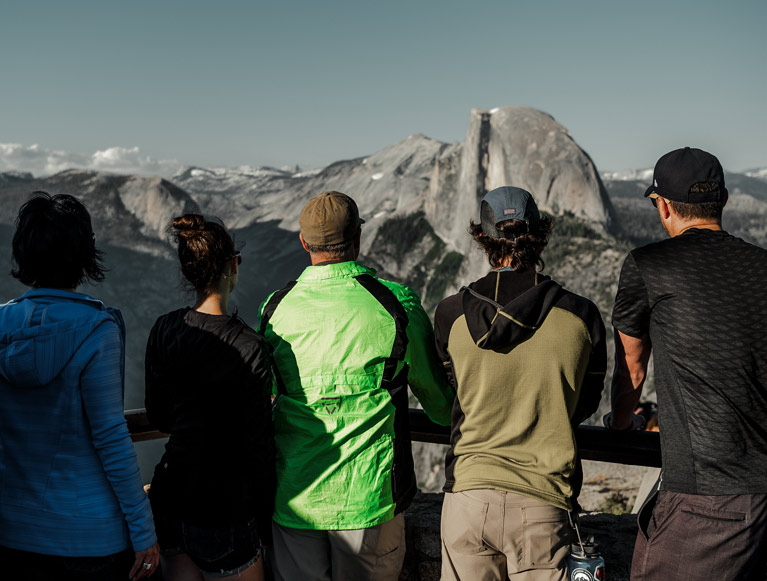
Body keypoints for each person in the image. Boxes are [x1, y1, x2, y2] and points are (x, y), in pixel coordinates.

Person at [258, 191, 454, 581]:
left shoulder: (274, 309)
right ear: (358, 239)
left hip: (295, 496)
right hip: (369, 499)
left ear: (303, 242)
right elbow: (438, 404)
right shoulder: (396, 305)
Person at [607, 147, 767, 580]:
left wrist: (621, 424)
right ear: (726, 200)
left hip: (706, 500)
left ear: (662, 206)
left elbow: (632, 370)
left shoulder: (648, 266)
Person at [434, 186, 606, 580]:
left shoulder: (450, 315)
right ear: (540, 234)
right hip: (542, 502)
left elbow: (453, 395)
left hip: (468, 497)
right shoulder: (581, 316)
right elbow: (585, 402)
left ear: (482, 237)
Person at [0, 192, 159, 580]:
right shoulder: (95, 329)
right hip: (89, 537)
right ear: (83, 254)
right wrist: (143, 531)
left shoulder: (3, 323)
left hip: (13, 531)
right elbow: (110, 436)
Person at [145, 215, 274, 581]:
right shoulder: (249, 346)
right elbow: (258, 447)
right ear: (233, 266)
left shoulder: (166, 329)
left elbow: (158, 416)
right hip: (223, 507)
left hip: (170, 498)